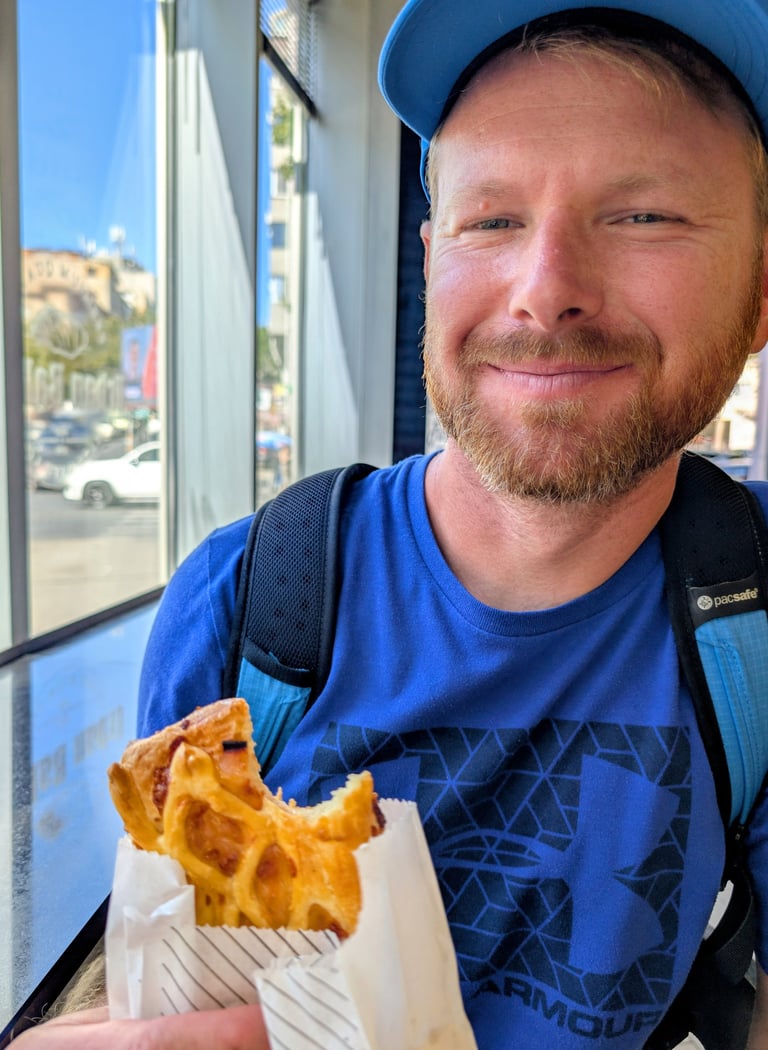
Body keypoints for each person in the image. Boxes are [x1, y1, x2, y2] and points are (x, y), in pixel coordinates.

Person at [13, 0, 768, 1047]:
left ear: (761, 289)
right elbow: (168, 956)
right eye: (490, 221)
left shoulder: (753, 608)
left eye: (645, 216)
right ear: (430, 261)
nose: (546, 290)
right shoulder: (247, 602)